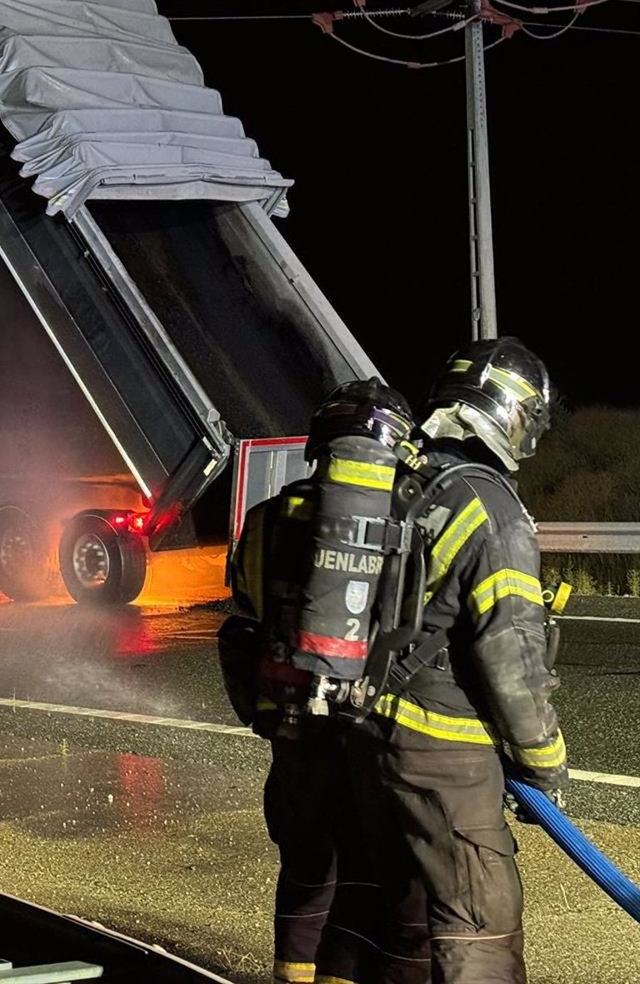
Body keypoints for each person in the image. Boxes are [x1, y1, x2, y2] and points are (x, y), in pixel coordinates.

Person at [349, 337, 568, 984]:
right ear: (508, 414)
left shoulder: (403, 483)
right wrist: (544, 764)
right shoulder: (493, 510)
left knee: (407, 924)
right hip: (445, 752)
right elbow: (511, 655)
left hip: (368, 733)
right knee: (480, 927)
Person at [221, 378, 416, 984]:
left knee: (305, 879)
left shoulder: (264, 520)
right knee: (369, 893)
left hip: (292, 734)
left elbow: (246, 619)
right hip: (368, 740)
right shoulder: (401, 525)